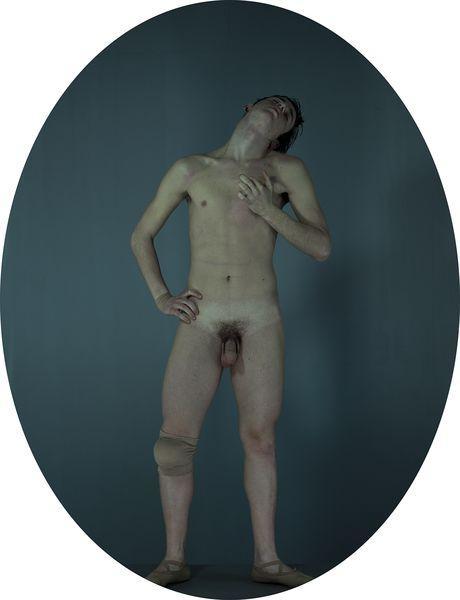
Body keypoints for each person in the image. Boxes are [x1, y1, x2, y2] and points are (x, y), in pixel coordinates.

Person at [130, 94, 331, 588]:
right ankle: (173, 559)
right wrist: (161, 296)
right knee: (174, 444)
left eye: (288, 113)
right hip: (202, 318)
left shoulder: (286, 171)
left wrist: (268, 210)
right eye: (274, 101)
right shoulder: (191, 169)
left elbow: (321, 246)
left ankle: (267, 561)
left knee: (260, 440)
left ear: (282, 135)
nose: (280, 107)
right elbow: (141, 235)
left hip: (259, 318)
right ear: (247, 108)